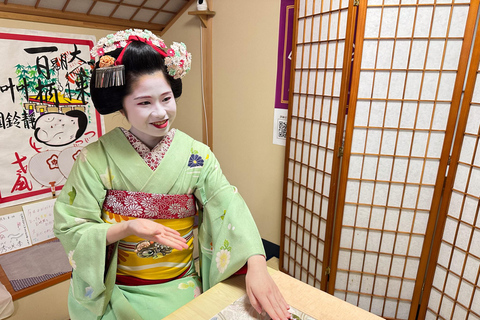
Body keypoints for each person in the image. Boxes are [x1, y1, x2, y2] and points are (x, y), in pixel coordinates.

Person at [53, 29, 291, 320]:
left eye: (166, 98)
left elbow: (227, 205)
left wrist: (256, 265)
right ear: (122, 105)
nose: (160, 113)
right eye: (144, 103)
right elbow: (71, 226)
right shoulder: (95, 158)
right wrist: (126, 228)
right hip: (118, 290)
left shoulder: (197, 155)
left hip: (182, 284)